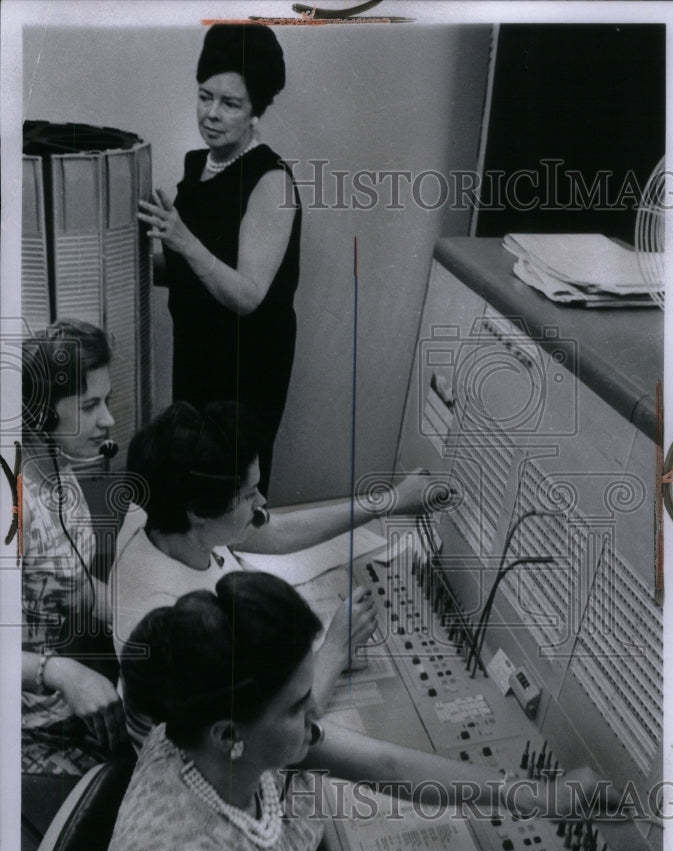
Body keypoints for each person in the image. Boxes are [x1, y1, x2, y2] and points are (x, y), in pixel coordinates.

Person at [102, 572, 605, 851]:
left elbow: (390, 767)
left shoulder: (221, 736)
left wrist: (543, 798)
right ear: (229, 734)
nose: (315, 712)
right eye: (298, 705)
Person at [112, 399, 430, 748]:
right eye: (249, 495)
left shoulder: (155, 515)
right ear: (199, 512)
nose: (262, 502)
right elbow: (264, 732)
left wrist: (390, 501)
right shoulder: (176, 622)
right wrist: (336, 649)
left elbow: (273, 532)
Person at [138, 24, 299, 492]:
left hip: (246, 370)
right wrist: (132, 264)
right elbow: (191, 273)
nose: (211, 114)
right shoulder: (199, 166)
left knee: (229, 491)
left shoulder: (271, 181)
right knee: (192, 481)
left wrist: (182, 238)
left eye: (230, 104)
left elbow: (247, 295)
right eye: (204, 96)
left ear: (255, 112)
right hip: (198, 352)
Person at [20, 320, 128, 785]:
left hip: (54, 705)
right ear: (40, 414)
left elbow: (81, 590)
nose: (108, 420)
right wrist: (62, 673)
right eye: (90, 405)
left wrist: (160, 617)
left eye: (106, 401)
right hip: (20, 728)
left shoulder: (61, 475)